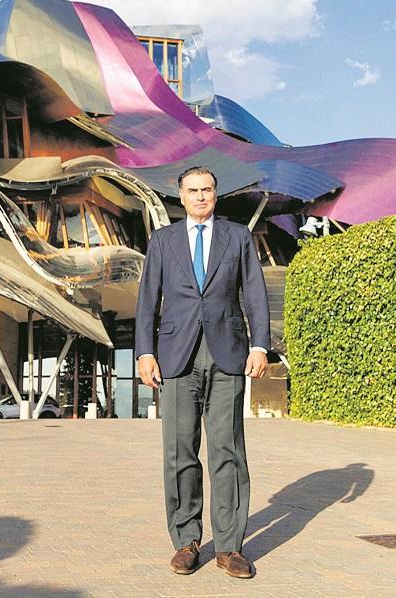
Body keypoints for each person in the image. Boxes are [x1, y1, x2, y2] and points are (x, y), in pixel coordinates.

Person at [134, 166, 270, 579]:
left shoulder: (238, 237)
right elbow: (146, 302)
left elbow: (255, 292)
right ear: (180, 196)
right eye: (192, 191)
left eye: (206, 190)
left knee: (227, 450)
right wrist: (144, 353)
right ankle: (186, 541)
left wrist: (260, 345)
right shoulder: (162, 241)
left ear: (216, 194)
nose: (200, 197)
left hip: (227, 354)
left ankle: (230, 547)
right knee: (179, 452)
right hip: (176, 357)